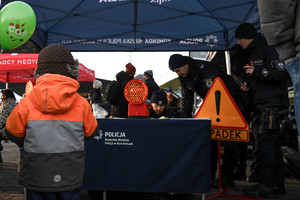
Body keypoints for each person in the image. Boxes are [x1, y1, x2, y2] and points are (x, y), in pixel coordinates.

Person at [4, 43, 99, 200]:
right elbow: (91, 132)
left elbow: (11, 132)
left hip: (36, 173)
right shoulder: (82, 104)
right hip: (70, 174)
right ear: (71, 70)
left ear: (39, 71)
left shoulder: (27, 103)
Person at [168, 54, 244, 188]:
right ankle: (209, 176)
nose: (178, 73)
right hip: (214, 105)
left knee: (230, 143)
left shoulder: (207, 70)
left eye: (178, 70)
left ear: (185, 64)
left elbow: (215, 94)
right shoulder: (184, 76)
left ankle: (227, 178)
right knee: (210, 141)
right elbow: (187, 98)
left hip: (232, 103)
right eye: (175, 72)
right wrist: (185, 118)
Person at [234, 23, 289, 198]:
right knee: (272, 147)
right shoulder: (251, 53)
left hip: (271, 107)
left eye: (240, 38)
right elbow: (261, 81)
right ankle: (277, 186)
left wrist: (257, 72)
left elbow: (281, 74)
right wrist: (247, 87)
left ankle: (266, 185)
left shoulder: (268, 50)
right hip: (262, 106)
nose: (238, 42)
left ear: (248, 37)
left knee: (266, 147)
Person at [257, 0, 300, 137]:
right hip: (267, 104)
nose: (238, 42)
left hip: (274, 102)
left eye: (240, 38)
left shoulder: (261, 51)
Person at [0, 89, 17, 163]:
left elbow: (1, 121)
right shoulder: (16, 104)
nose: (1, 97)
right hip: (15, 129)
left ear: (6, 96)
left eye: (2, 95)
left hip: (8, 131)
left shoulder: (6, 106)